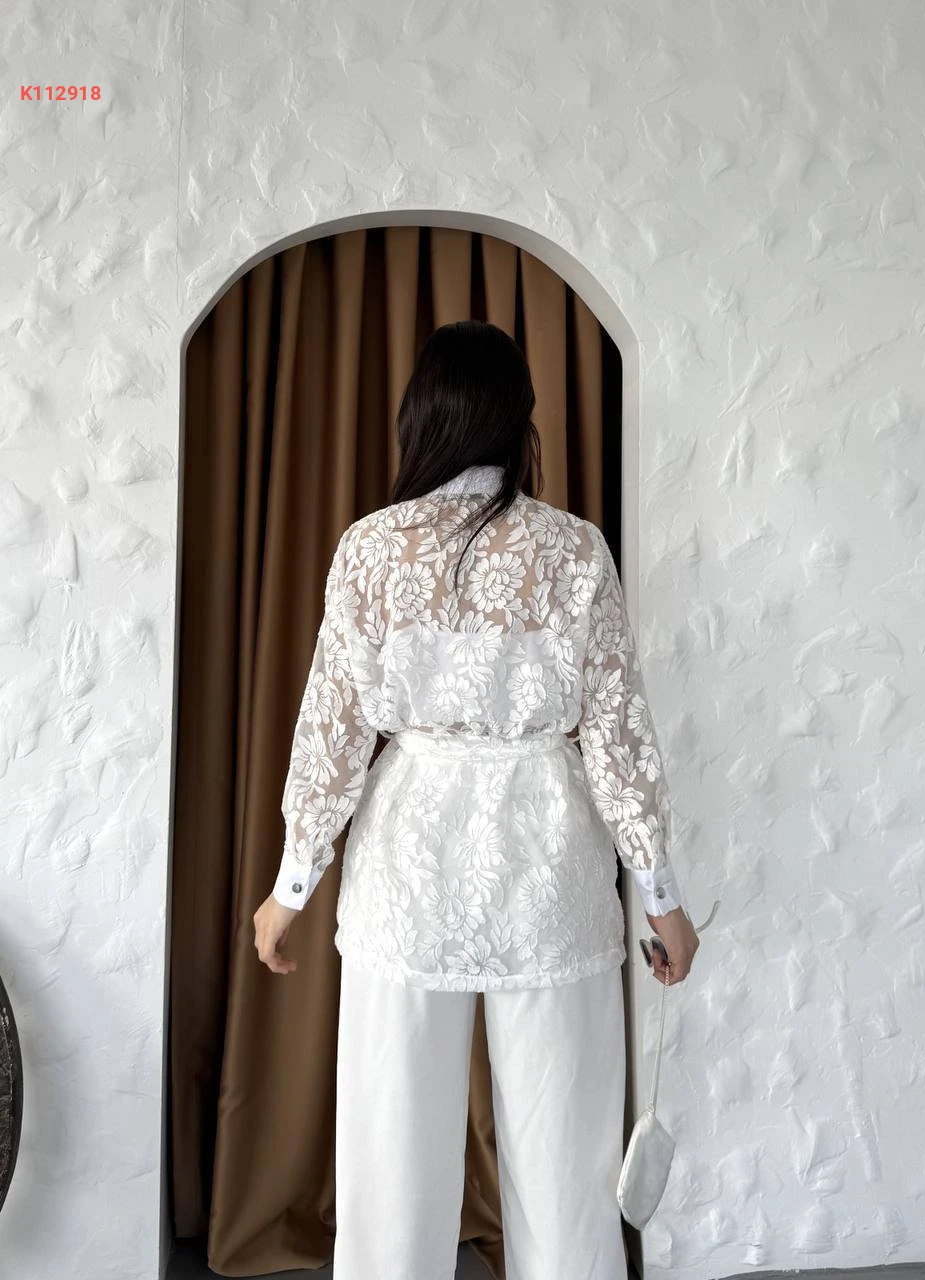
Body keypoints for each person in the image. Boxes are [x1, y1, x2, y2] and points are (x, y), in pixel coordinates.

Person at [253, 319, 700, 1280]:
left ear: (422, 417)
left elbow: (332, 732)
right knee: (565, 1153)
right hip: (548, 866)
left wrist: (292, 886)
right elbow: (617, 736)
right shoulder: (574, 550)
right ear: (518, 421)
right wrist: (660, 896)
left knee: (389, 1149)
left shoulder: (371, 550)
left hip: (409, 868)